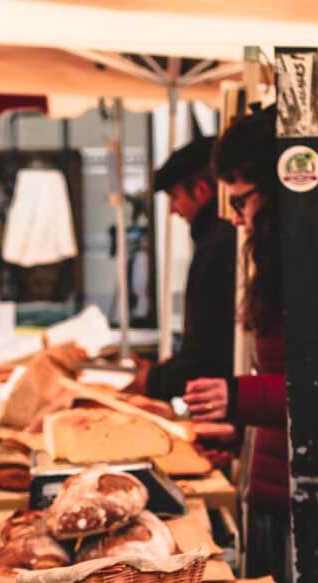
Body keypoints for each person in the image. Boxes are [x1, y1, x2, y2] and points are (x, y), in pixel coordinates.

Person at [182, 108, 291, 583]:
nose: (235, 216)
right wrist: (242, 429)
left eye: (243, 199)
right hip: (277, 489)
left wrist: (241, 399)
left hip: (299, 499)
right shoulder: (281, 259)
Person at [127, 136, 237, 401]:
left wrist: (154, 380)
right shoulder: (218, 242)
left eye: (175, 197)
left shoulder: (216, 247)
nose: (173, 211)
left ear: (200, 191)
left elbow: (206, 351)